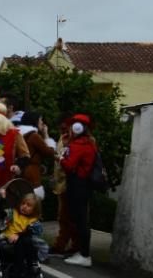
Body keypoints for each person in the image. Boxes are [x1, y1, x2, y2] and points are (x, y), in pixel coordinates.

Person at [59, 113, 98, 268]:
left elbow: (69, 166)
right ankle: (82, 252)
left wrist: (61, 159)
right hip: (83, 184)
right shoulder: (89, 143)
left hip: (78, 184)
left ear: (77, 128)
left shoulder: (79, 145)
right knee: (80, 218)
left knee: (80, 219)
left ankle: (84, 254)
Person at [50, 120, 77, 256]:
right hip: (61, 182)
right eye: (61, 129)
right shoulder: (62, 138)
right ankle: (61, 245)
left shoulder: (76, 140)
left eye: (65, 129)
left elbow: (70, 161)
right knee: (63, 216)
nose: (63, 132)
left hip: (70, 184)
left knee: (70, 217)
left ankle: (71, 246)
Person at [0, 191, 42, 278]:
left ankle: (31, 265)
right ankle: (19, 266)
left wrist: (19, 234)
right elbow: (4, 209)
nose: (24, 206)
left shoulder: (33, 220)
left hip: (24, 239)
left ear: (35, 209)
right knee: (22, 241)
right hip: (10, 237)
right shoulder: (13, 213)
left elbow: (32, 231)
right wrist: (3, 198)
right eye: (23, 203)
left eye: (29, 205)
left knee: (28, 240)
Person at [17, 111, 57, 200]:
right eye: (40, 120)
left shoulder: (19, 135)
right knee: (34, 200)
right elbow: (49, 152)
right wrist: (46, 135)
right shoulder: (34, 136)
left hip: (21, 170)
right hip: (32, 172)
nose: (42, 123)